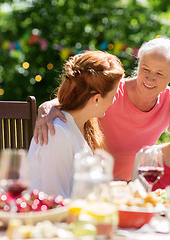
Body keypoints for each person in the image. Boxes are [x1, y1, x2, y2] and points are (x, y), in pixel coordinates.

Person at [33, 37, 170, 181]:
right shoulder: (113, 90)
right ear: (138, 65)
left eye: (159, 73)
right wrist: (45, 107)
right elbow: (71, 100)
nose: (150, 78)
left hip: (130, 187)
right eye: (145, 69)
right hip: (89, 181)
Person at [27, 51, 124, 198]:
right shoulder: (57, 133)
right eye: (114, 94)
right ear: (96, 99)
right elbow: (54, 199)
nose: (115, 99)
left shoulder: (80, 126)